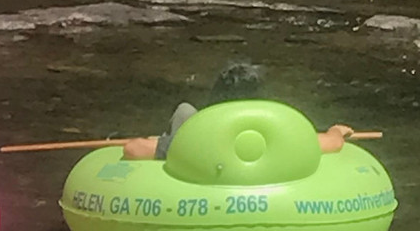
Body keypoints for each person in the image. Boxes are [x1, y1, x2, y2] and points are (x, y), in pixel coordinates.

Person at [121, 62, 354, 160]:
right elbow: (332, 143)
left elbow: (133, 149)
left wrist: (164, 143)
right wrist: (336, 130)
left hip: (202, 146)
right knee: (186, 113)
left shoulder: (200, 140)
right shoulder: (279, 137)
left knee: (185, 111)